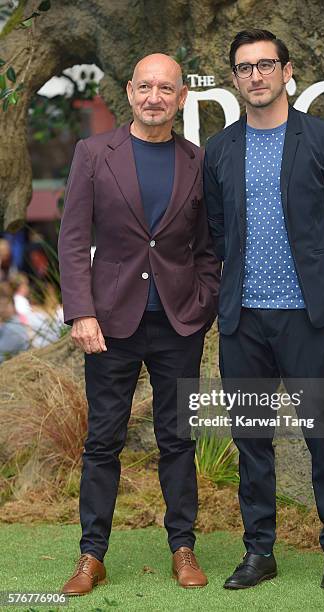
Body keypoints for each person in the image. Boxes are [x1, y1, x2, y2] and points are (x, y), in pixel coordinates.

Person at [204, 29, 324, 590]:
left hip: (305, 316)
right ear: (235, 78)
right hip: (242, 317)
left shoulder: (323, 139)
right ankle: (259, 552)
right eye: (245, 67)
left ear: (286, 71)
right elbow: (217, 230)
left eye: (265, 65)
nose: (256, 75)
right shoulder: (220, 148)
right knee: (251, 438)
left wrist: (320, 266)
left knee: (323, 433)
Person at [58, 54, 220, 596]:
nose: (155, 97)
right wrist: (81, 311)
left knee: (178, 439)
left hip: (178, 323)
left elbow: (208, 247)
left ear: (181, 98)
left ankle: (183, 548)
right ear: (129, 92)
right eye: (146, 86)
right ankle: (91, 555)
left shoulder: (197, 161)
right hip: (108, 323)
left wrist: (203, 304)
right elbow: (74, 238)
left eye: (166, 89)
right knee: (103, 441)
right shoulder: (92, 154)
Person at [0, 282, 29, 363]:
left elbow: (1, 356)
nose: (1, 308)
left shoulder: (13, 329)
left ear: (12, 304)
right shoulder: (8, 324)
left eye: (4, 304)